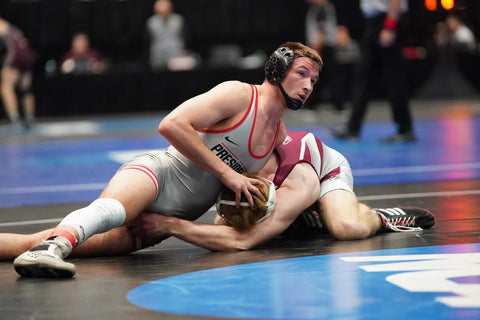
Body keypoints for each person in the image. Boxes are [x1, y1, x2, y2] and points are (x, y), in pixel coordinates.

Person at [10, 42, 324, 278]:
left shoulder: (277, 133)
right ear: (277, 69)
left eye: (314, 80)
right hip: (158, 175)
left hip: (158, 226)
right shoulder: (240, 95)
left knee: (31, 242)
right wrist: (230, 175)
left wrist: (254, 205)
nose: (308, 86)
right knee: (111, 210)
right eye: (302, 74)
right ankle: (52, 250)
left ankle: (43, 248)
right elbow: (171, 124)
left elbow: (230, 203)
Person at [0, 130, 435, 262]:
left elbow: (242, 241)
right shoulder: (234, 159)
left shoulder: (298, 171)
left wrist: (170, 225)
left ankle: (384, 216)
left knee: (344, 227)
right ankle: (296, 220)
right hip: (159, 182)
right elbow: (225, 225)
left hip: (325, 172)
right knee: (39, 241)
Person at [332, 0, 415, 143]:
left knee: (393, 77)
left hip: (387, 21)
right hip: (374, 23)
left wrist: (390, 25)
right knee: (363, 76)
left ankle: (405, 129)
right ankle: (353, 128)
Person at [0, 17, 35, 129]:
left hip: (16, 55)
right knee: (25, 89)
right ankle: (29, 117)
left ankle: (14, 119)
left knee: (6, 86)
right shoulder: (12, 28)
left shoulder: (2, 24)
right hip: (27, 55)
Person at [146, 0, 194, 71]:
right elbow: (148, 41)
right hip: (158, 58)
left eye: (166, 8)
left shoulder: (178, 20)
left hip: (177, 56)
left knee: (190, 62)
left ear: (171, 8)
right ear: (155, 10)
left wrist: (184, 52)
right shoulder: (151, 23)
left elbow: (186, 37)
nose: (163, 10)